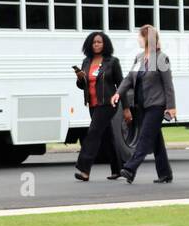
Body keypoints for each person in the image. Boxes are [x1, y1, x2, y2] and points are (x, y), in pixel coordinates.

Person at [111, 24, 176, 184]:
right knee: (156, 141)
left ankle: (130, 169)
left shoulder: (161, 58)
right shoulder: (140, 58)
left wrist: (171, 106)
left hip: (157, 105)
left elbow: (168, 85)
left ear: (147, 38)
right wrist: (118, 93)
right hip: (142, 105)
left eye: (140, 36)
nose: (138, 40)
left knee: (145, 137)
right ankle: (165, 173)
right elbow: (128, 79)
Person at [73, 30, 124, 181]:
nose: (96, 44)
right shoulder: (86, 62)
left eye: (99, 42)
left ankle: (84, 169)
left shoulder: (112, 62)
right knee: (107, 136)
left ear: (105, 44)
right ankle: (118, 169)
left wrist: (126, 109)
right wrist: (80, 78)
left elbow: (121, 85)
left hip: (108, 104)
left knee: (93, 133)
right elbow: (83, 86)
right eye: (94, 42)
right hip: (93, 105)